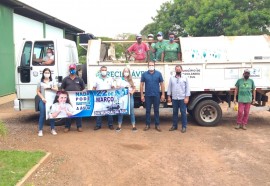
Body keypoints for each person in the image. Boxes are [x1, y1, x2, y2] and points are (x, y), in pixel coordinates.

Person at [140, 61, 165, 132]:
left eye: (152, 65)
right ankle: (147, 125)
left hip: (156, 95)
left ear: (154, 66)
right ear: (148, 66)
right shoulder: (144, 74)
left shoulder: (158, 74)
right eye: (150, 65)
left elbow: (162, 84)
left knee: (156, 110)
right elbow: (141, 84)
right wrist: (142, 95)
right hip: (147, 95)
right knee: (148, 111)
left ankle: (157, 125)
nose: (151, 66)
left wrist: (163, 94)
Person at [61, 64, 85, 132]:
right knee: (68, 112)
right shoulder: (65, 79)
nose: (72, 70)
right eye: (71, 69)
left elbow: (83, 88)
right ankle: (67, 127)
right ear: (69, 70)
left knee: (78, 112)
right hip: (68, 99)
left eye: (73, 69)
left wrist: (82, 93)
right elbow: (62, 89)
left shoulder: (79, 79)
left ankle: (79, 126)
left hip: (77, 99)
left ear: (75, 70)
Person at [167, 65, 190, 133]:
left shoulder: (185, 78)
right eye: (176, 69)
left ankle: (184, 127)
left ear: (181, 70)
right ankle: (174, 126)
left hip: (182, 98)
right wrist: (168, 97)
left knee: (183, 113)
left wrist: (187, 97)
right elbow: (169, 88)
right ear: (175, 70)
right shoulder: (172, 78)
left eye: (179, 69)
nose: (178, 71)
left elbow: (187, 88)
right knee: (175, 113)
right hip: (174, 98)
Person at [36, 68, 58, 137]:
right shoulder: (40, 82)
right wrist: (42, 98)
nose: (47, 73)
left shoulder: (53, 81)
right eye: (45, 72)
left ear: (50, 74)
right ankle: (40, 130)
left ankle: (52, 129)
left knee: (51, 114)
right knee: (42, 115)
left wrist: (50, 88)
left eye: (48, 72)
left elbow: (57, 90)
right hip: (43, 101)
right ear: (43, 73)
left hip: (51, 101)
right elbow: (38, 91)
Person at [93, 66, 115, 130]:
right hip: (99, 98)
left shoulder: (110, 79)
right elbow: (94, 88)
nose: (104, 71)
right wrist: (92, 95)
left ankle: (110, 125)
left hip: (108, 98)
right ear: (100, 71)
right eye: (102, 70)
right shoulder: (97, 79)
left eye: (105, 70)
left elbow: (113, 88)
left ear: (107, 71)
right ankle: (98, 125)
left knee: (109, 111)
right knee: (99, 111)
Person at [115, 67, 137, 132]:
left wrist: (132, 92)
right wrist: (123, 88)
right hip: (122, 97)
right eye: (125, 71)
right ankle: (119, 126)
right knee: (121, 110)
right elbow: (117, 87)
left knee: (131, 110)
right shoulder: (120, 80)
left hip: (130, 96)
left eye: (127, 71)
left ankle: (134, 126)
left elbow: (134, 88)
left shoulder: (131, 80)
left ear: (129, 73)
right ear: (123, 72)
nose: (126, 73)